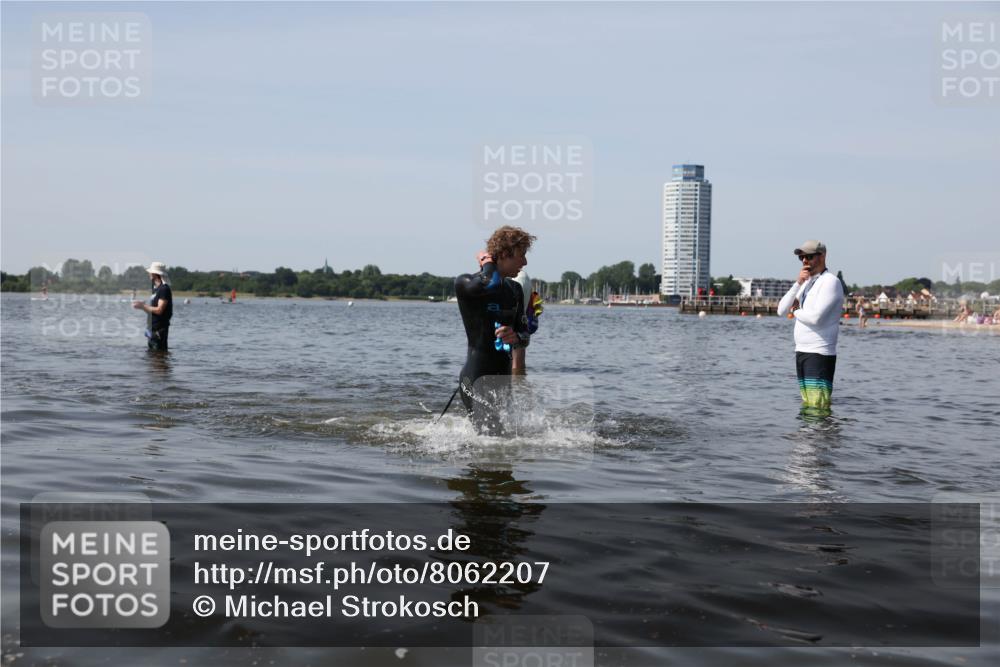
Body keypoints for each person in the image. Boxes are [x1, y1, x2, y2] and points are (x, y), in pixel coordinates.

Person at [454, 226, 535, 435]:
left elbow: (524, 336)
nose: (524, 262)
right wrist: (488, 263)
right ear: (505, 254)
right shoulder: (465, 283)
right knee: (492, 443)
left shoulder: (515, 290)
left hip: (502, 381)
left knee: (503, 449)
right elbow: (490, 284)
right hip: (476, 377)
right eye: (521, 255)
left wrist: (516, 336)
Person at [777, 240, 845, 411]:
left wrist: (796, 311)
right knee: (808, 405)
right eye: (801, 258)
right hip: (802, 351)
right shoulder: (806, 283)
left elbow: (816, 318)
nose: (804, 261)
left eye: (809, 256)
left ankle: (822, 437)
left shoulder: (831, 281)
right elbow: (781, 310)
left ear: (822, 256)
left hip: (819, 352)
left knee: (818, 407)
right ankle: (808, 438)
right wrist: (797, 283)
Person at [132, 262, 172, 351]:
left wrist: (143, 306)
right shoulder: (156, 289)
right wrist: (141, 306)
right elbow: (152, 310)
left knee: (157, 358)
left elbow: (159, 310)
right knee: (153, 360)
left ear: (155, 274)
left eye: (150, 272)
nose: (149, 274)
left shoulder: (164, 289)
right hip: (152, 330)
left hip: (159, 331)